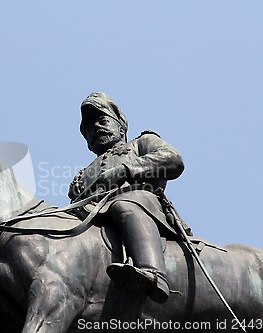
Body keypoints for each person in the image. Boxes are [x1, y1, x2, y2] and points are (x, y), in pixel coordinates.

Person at [68, 92, 185, 303]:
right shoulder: (82, 175)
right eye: (88, 128)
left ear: (121, 127)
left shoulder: (142, 143)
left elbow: (174, 160)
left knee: (124, 205)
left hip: (144, 203)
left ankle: (153, 274)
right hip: (97, 217)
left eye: (103, 121)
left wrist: (126, 170)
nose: (96, 128)